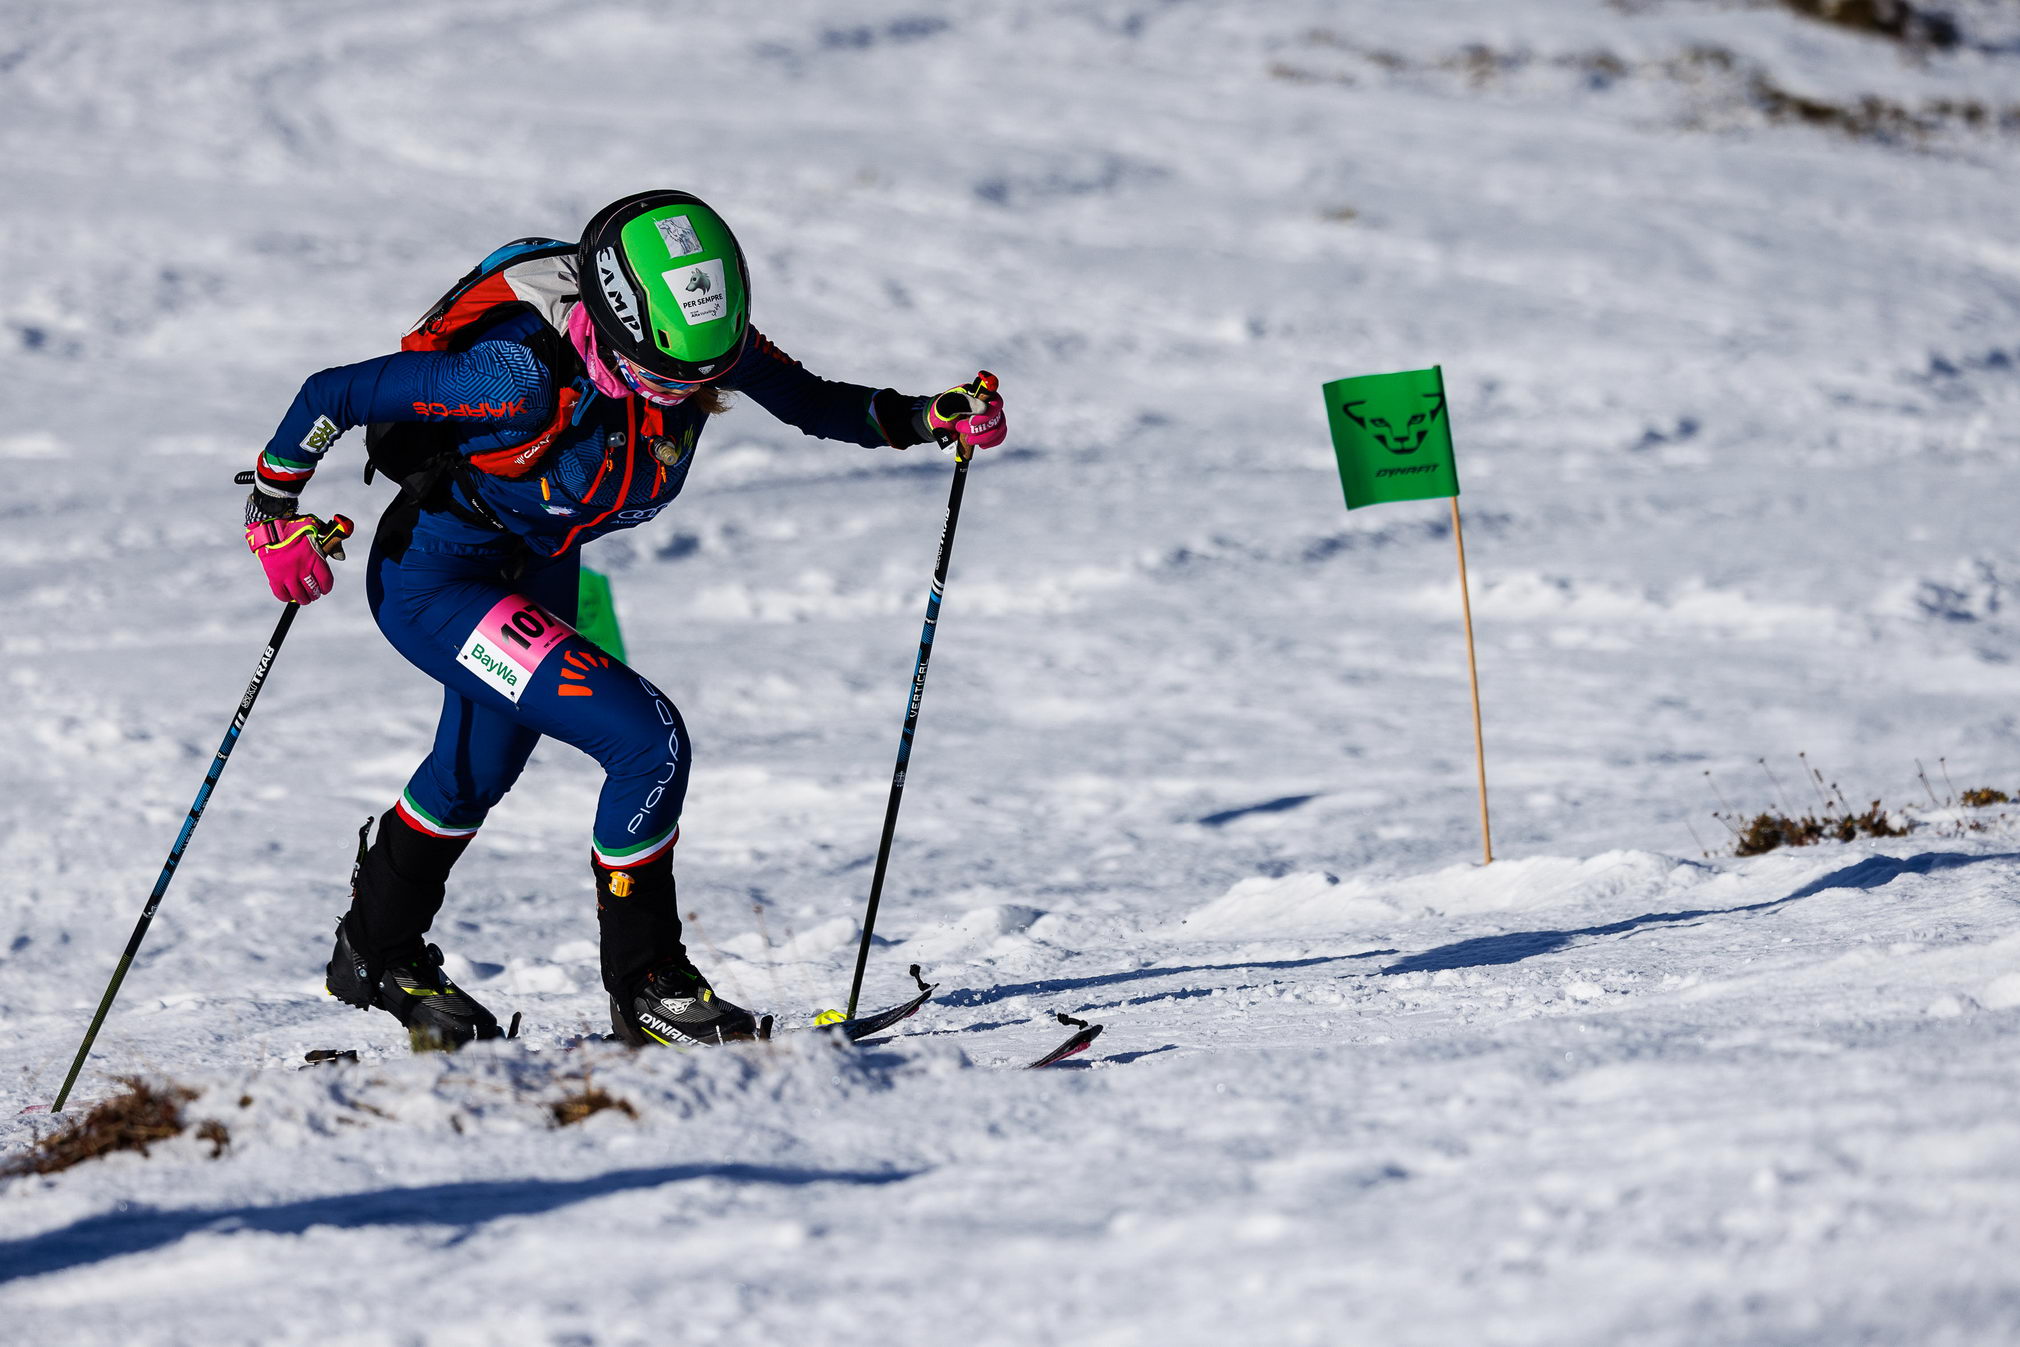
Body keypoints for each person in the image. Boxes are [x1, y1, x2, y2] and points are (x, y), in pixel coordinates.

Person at [242, 189, 1005, 1049]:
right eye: (668, 374)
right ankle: (647, 986)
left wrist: (923, 417)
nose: (691, 394)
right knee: (647, 739)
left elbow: (812, 400)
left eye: (704, 375)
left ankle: (375, 951)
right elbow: (331, 392)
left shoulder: (698, 348)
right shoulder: (513, 376)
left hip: (534, 565)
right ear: (613, 324)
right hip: (437, 579)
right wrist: (274, 512)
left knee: (475, 771)